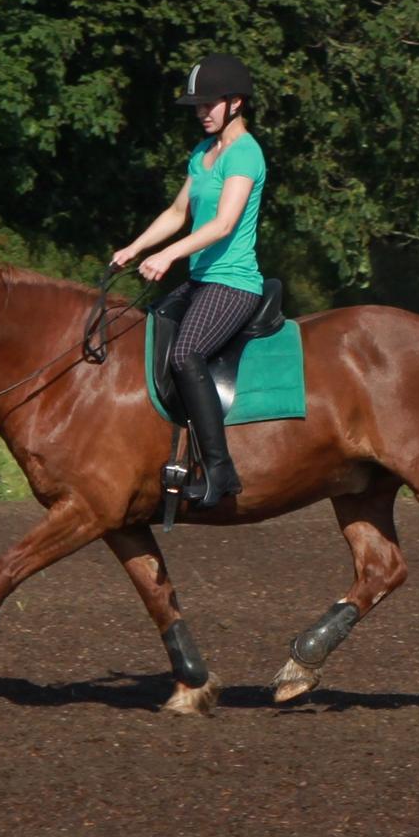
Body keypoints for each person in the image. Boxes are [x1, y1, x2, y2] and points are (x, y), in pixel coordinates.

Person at [111, 54, 266, 509]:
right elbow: (179, 213)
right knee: (141, 338)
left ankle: (220, 471)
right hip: (201, 281)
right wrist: (134, 247)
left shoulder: (245, 153)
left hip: (234, 283)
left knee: (184, 352)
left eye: (209, 104)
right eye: (197, 106)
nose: (201, 112)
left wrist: (168, 255)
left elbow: (221, 224)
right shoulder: (203, 154)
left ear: (235, 103)